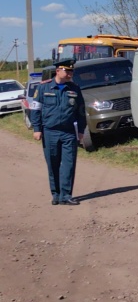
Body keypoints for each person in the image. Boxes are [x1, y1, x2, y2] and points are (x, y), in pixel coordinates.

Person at [30, 58, 86, 206]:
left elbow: (81, 111)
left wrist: (81, 130)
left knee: (68, 164)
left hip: (68, 133)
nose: (70, 73)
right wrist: (37, 129)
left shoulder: (74, 88)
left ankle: (66, 195)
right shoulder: (43, 88)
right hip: (50, 132)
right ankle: (56, 194)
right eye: (67, 70)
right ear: (58, 71)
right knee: (53, 163)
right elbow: (35, 110)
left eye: (71, 71)